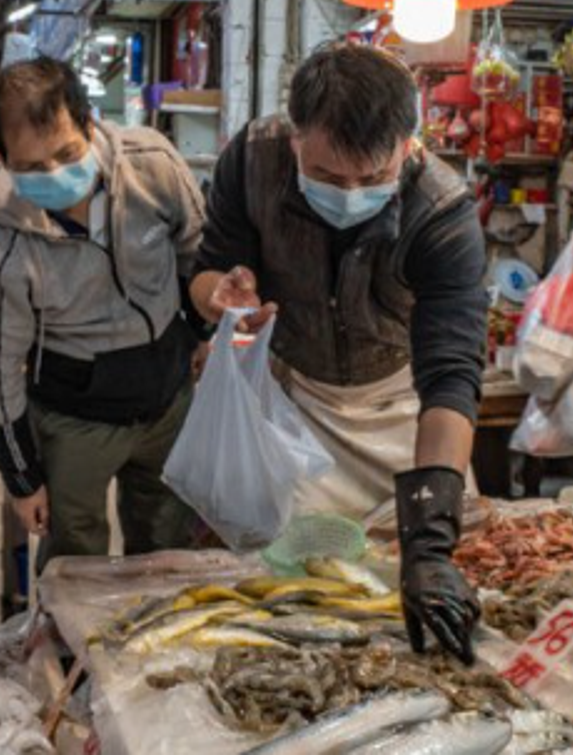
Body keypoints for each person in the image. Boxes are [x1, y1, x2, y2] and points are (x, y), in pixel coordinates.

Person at [189, 43, 487, 663]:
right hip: (297, 406)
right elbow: (206, 269)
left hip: (404, 413)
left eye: (373, 178)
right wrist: (219, 298)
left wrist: (430, 545)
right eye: (326, 177)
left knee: (419, 615)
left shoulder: (443, 211)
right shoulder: (251, 160)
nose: (350, 192)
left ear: (409, 145)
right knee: (292, 609)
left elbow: (451, 377)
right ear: (296, 138)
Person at [0, 57, 205, 562]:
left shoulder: (152, 163)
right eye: (30, 166)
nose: (54, 173)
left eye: (67, 152)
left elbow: (196, 252)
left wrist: (203, 330)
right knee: (74, 560)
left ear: (89, 124)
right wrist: (22, 477)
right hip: (74, 421)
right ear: (3, 160)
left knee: (167, 548)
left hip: (169, 401)